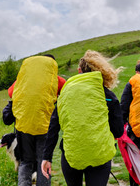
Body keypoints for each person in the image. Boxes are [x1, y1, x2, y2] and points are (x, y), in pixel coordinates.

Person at [41, 50, 124, 186]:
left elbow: (54, 127)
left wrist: (47, 156)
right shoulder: (107, 95)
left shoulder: (65, 93)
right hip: (100, 155)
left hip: (71, 156)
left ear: (79, 70)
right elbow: (118, 131)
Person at [4, 54, 66, 186]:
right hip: (45, 127)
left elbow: (10, 93)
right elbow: (66, 92)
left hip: (23, 126)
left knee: (26, 161)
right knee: (43, 161)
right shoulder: (56, 80)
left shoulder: (23, 80)